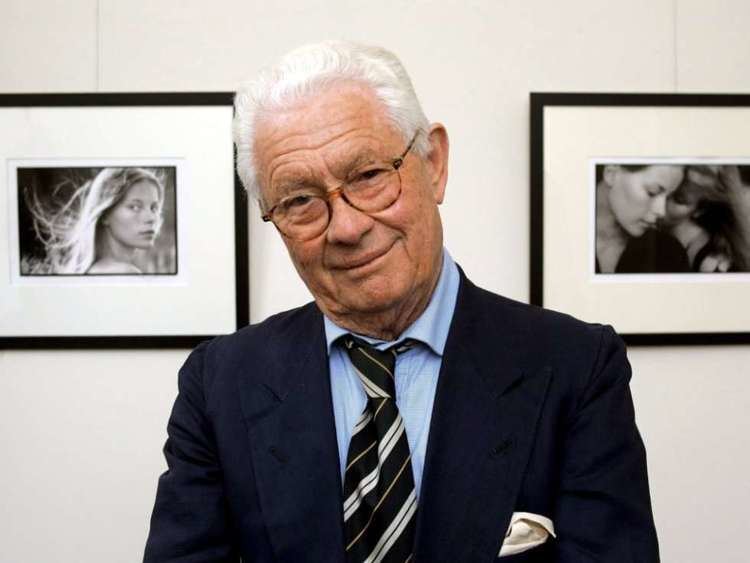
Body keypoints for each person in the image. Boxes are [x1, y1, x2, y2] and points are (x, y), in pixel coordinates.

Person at [144, 41, 658, 562]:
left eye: (369, 177)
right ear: (272, 216)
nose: (346, 227)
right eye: (300, 200)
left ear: (434, 163)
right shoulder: (220, 384)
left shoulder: (576, 366)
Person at [22, 167, 164, 274]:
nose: (152, 218)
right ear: (105, 214)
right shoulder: (125, 272)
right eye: (135, 207)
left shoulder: (94, 270)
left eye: (154, 208)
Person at [595, 163, 688, 273]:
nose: (661, 211)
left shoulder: (670, 253)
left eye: (668, 197)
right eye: (652, 192)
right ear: (611, 174)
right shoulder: (570, 239)